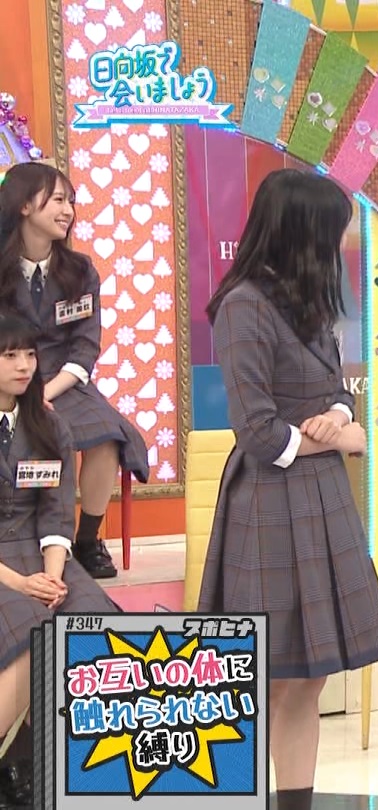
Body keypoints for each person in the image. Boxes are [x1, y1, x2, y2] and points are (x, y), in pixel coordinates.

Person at [198, 168, 378, 810]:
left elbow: (335, 390)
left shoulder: (305, 301)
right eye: (334, 232)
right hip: (270, 504)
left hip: (322, 498)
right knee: (271, 677)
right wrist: (343, 440)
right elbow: (258, 432)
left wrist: (338, 416)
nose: (341, 246)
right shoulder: (244, 305)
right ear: (303, 232)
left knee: (309, 676)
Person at [0, 162, 151, 580]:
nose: (68, 210)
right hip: (7, 379)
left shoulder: (80, 271)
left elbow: (85, 347)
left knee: (108, 433)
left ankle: (86, 539)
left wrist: (45, 393)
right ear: (25, 205)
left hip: (63, 382)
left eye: (71, 201)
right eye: (57, 200)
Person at [0, 312, 119, 809]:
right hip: (3, 565)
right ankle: (13, 757)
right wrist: (21, 585)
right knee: (32, 629)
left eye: (30, 354)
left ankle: (56, 766)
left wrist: (51, 576)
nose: (24, 365)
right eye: (10, 355)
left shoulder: (49, 425)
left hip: (41, 553)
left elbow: (55, 513)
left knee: (94, 618)